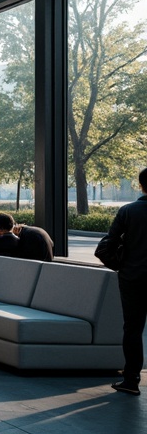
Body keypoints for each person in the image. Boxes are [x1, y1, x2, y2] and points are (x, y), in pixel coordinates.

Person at [102, 167, 147, 396]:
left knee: (133, 329)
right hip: (133, 276)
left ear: (140, 185)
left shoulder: (128, 211)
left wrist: (121, 267)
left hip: (133, 278)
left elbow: (107, 245)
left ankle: (131, 381)